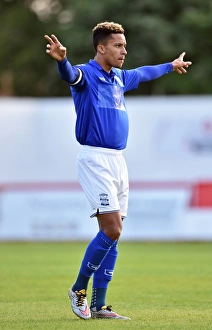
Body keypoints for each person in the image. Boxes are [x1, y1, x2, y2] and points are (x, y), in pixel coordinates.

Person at [44, 21, 192, 320]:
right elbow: (70, 75)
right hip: (95, 159)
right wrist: (62, 60)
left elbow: (145, 72)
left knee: (112, 235)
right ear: (101, 47)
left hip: (118, 161)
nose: (124, 50)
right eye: (118, 46)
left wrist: (170, 65)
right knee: (112, 229)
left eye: (124, 46)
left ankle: (99, 306)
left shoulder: (119, 78)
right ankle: (78, 290)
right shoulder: (87, 74)